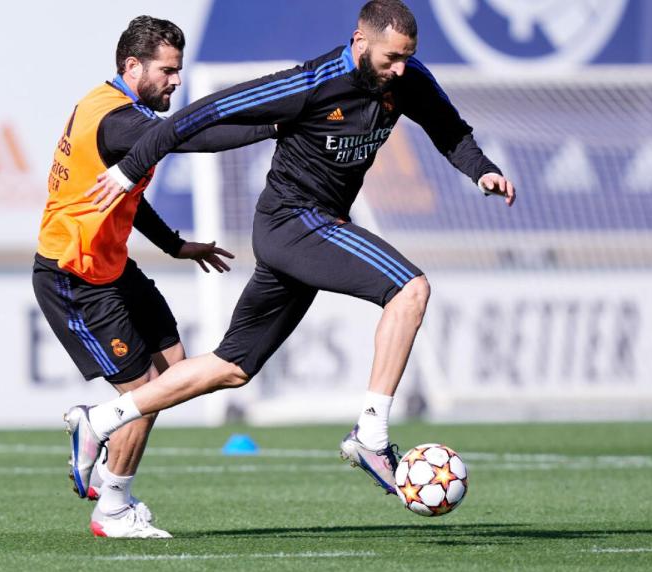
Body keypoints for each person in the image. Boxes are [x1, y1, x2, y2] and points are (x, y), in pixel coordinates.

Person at [65, 0, 516, 516]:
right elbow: (201, 114)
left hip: (308, 230)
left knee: (230, 368)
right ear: (360, 41)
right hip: (293, 221)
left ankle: (99, 420)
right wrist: (130, 170)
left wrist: (481, 170)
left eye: (406, 59)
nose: (398, 70)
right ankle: (371, 432)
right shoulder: (309, 82)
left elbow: (450, 130)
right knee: (410, 289)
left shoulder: (407, 79)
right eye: (391, 58)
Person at [33, 15, 276, 539]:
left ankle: (99, 439)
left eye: (178, 70)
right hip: (73, 275)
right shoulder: (120, 121)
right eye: (167, 71)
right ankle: (112, 509)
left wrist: (175, 245)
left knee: (174, 375)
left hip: (112, 267)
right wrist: (275, 126)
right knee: (144, 391)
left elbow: (121, 191)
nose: (175, 80)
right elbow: (194, 139)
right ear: (132, 66)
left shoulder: (116, 108)